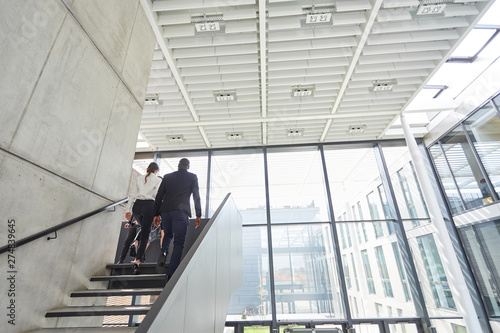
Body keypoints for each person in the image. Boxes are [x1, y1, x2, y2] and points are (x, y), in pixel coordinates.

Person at [153, 158, 202, 282]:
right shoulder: (192, 177)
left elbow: (159, 195)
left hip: (166, 212)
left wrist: (156, 214)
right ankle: (170, 274)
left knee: (168, 235)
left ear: (178, 165)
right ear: (188, 167)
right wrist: (198, 215)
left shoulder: (167, 177)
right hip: (181, 212)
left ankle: (163, 252)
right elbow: (196, 196)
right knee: (179, 243)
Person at [125, 162, 162, 274]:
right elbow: (157, 196)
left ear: (147, 169)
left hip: (137, 207)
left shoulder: (139, 178)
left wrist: (127, 210)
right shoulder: (158, 180)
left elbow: (132, 194)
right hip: (149, 206)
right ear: (156, 171)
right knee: (146, 233)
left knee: (143, 228)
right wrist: (158, 213)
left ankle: (136, 243)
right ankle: (137, 261)